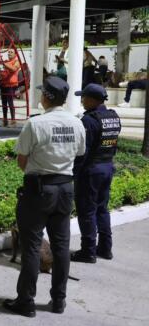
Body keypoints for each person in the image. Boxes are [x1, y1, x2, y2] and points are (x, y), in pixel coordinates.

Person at [3, 76, 86, 318]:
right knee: (61, 247)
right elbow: (79, 153)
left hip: (39, 190)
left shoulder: (36, 124)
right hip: (65, 189)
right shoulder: (76, 123)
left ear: (47, 97)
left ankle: (26, 301)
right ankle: (58, 300)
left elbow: (22, 160)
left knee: (31, 247)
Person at [71, 84, 121, 263]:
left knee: (87, 211)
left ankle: (88, 251)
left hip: (91, 171)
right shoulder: (113, 117)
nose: (82, 100)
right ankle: (105, 248)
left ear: (92, 100)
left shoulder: (89, 121)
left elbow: (83, 151)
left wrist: (74, 173)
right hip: (107, 167)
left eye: (84, 97)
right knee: (102, 209)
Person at [0, 49, 21, 127]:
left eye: (11, 52)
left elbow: (14, 69)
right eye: (8, 52)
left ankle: (13, 121)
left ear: (15, 54)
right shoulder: (6, 62)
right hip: (4, 84)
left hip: (11, 85)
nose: (9, 53)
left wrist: (4, 64)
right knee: (4, 103)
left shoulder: (17, 61)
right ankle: (5, 120)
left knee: (10, 103)